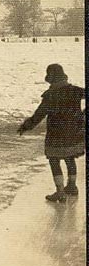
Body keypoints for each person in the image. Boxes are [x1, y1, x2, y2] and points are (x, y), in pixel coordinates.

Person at [18, 64, 85, 202]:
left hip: (57, 133)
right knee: (70, 157)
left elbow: (39, 115)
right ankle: (72, 186)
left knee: (54, 160)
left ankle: (60, 191)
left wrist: (26, 126)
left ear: (51, 77)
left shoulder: (50, 95)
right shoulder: (76, 91)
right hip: (74, 131)